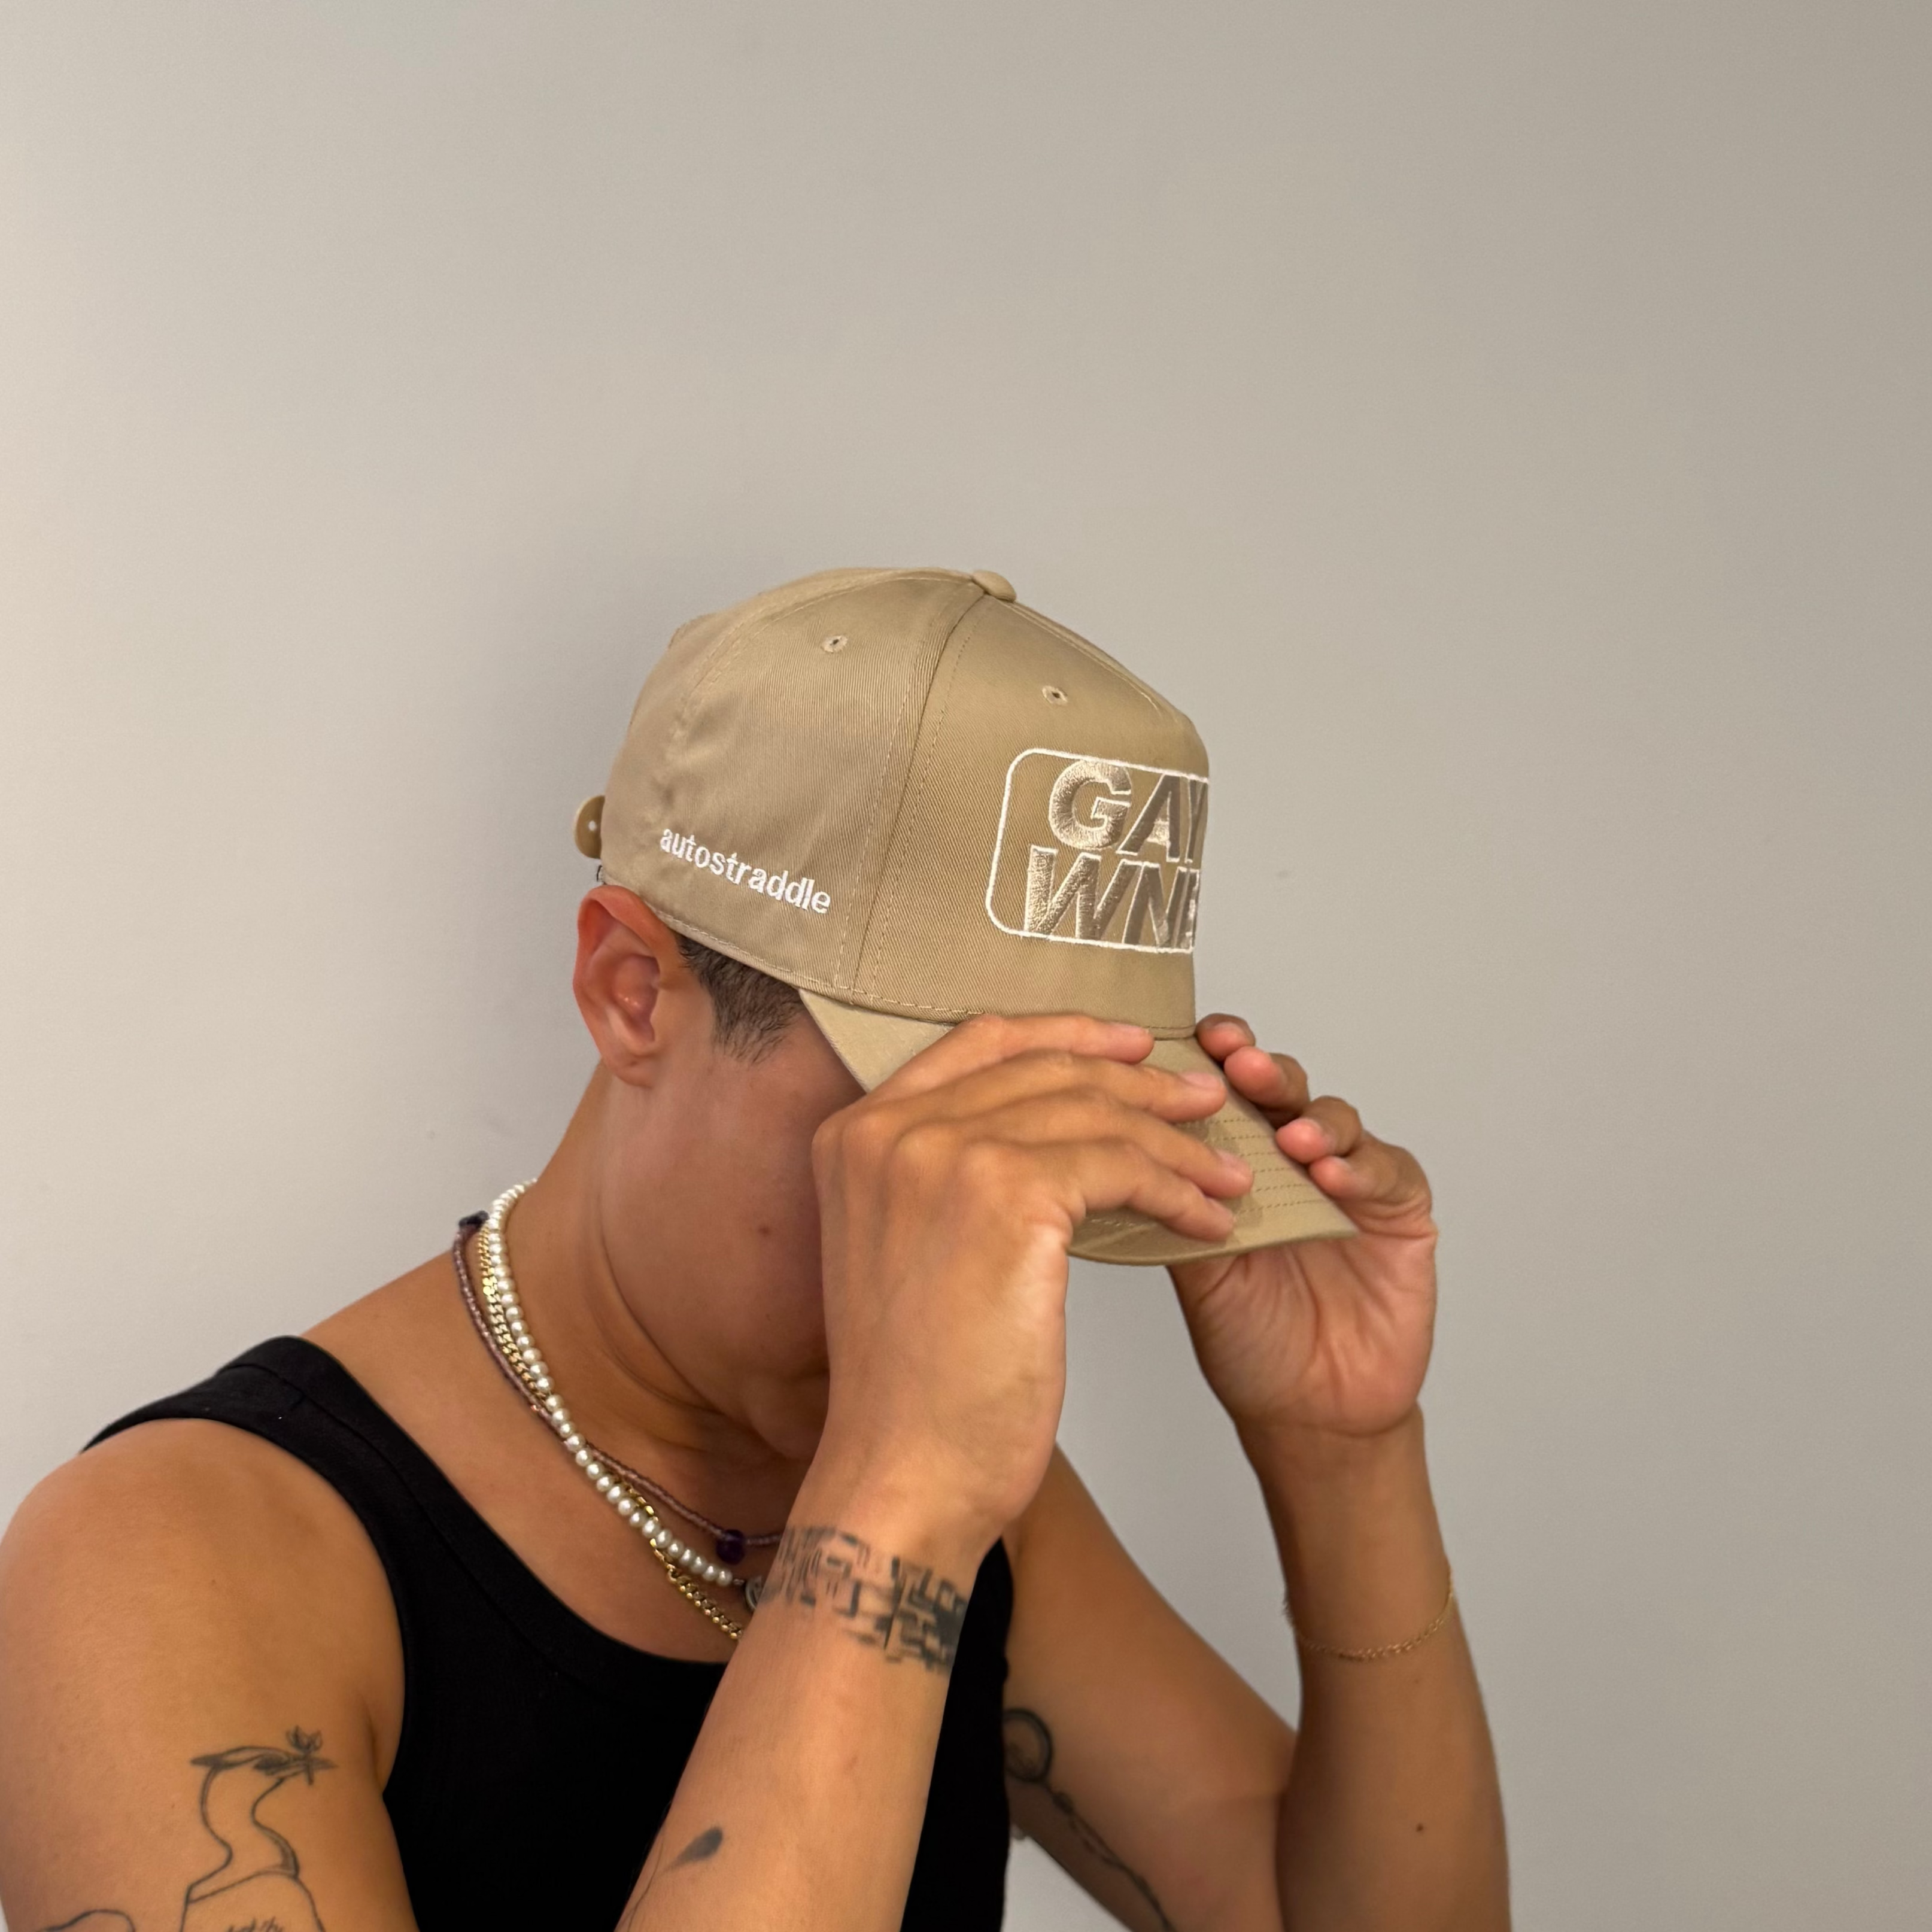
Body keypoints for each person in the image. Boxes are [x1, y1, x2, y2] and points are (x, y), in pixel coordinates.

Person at [0, 567, 1508, 1931]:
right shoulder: (165, 1567)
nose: (990, 1236)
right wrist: (903, 1500)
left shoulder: (977, 1498)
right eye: (922, 1135)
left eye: (1060, 1147)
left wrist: (1343, 1452)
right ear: (632, 990)